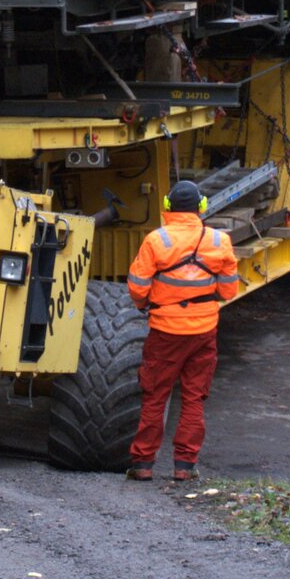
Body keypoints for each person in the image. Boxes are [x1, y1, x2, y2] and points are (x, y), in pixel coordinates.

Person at [125, 179, 238, 482]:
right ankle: (184, 467)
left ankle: (142, 465)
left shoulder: (156, 240)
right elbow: (229, 291)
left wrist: (147, 303)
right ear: (202, 207)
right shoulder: (219, 241)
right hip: (204, 333)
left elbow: (137, 287)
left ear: (167, 207)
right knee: (193, 398)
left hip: (164, 332)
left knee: (155, 396)